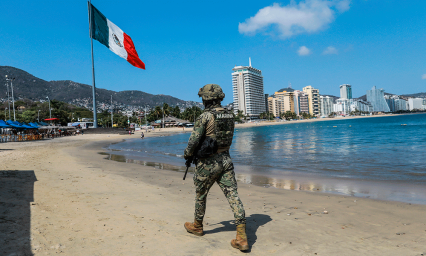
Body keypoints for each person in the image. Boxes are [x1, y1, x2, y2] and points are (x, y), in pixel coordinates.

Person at [183, 84, 248, 251]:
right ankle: (241, 236)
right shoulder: (229, 115)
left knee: (201, 194)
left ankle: (197, 226)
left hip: (208, 163)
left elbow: (193, 141)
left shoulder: (205, 116)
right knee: (233, 195)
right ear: (220, 97)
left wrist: (187, 155)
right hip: (226, 159)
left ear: (205, 99)